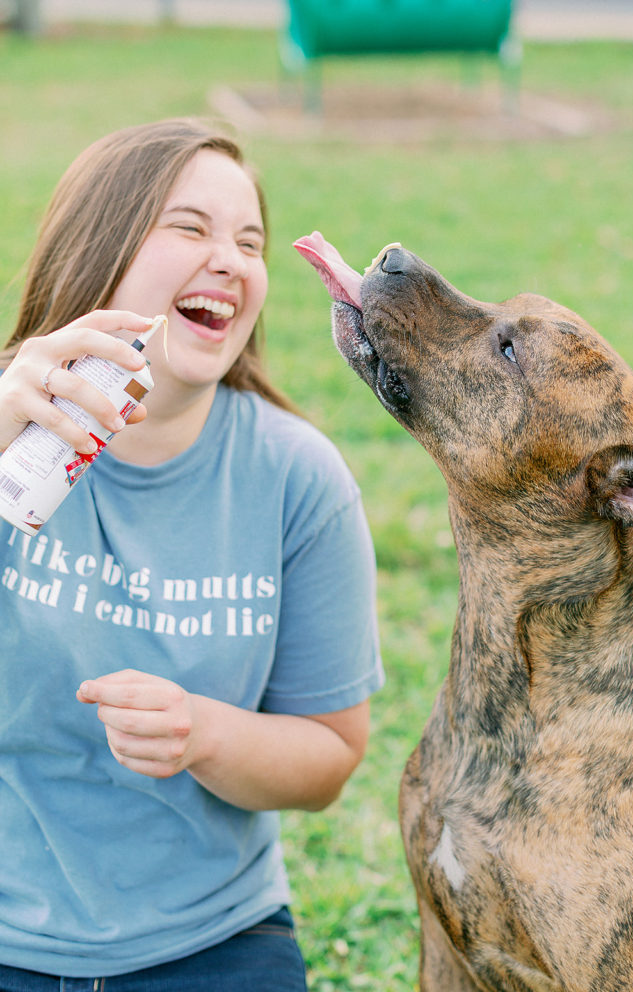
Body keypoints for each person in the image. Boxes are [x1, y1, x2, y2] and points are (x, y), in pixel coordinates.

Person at [0, 118, 383, 991]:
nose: (233, 261)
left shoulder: (297, 478)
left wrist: (202, 732)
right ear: (98, 248)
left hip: (211, 943)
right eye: (191, 228)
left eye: (248, 241)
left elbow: (329, 757)